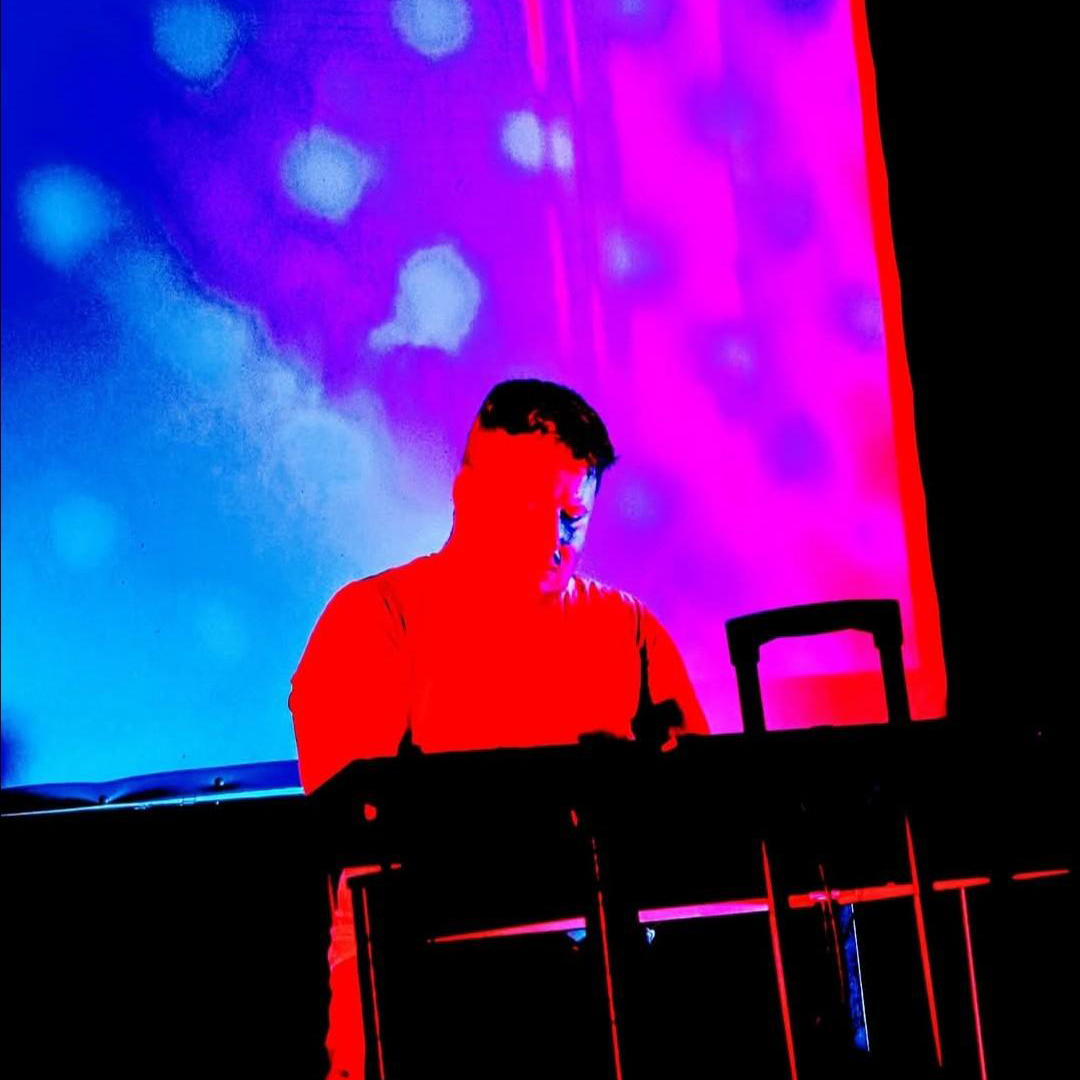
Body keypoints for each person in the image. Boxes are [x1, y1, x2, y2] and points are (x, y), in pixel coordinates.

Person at [289, 378, 709, 1078]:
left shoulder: (626, 628)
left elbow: (703, 808)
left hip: (595, 1004)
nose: (554, 540)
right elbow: (355, 823)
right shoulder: (374, 621)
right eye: (529, 509)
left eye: (573, 517)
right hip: (423, 1001)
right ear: (467, 493)